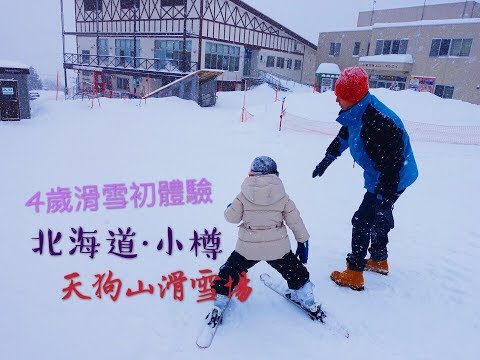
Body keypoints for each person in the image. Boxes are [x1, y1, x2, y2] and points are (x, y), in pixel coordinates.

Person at [312, 67, 418, 291]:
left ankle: (354, 273)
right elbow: (345, 133)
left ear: (351, 97)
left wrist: (385, 199)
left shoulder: (377, 122)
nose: (336, 99)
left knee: (362, 220)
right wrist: (328, 157)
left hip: (393, 177)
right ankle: (379, 260)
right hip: (383, 174)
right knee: (376, 217)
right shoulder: (359, 111)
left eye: (339, 95)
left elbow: (392, 165)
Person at [206, 156, 318, 325]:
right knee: (295, 271)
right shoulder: (283, 197)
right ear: (275, 173)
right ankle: (307, 298)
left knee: (231, 269)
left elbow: (231, 218)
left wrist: (230, 207)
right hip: (277, 248)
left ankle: (221, 299)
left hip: (247, 248)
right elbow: (295, 221)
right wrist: (303, 242)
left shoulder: (243, 195)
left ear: (252, 173)